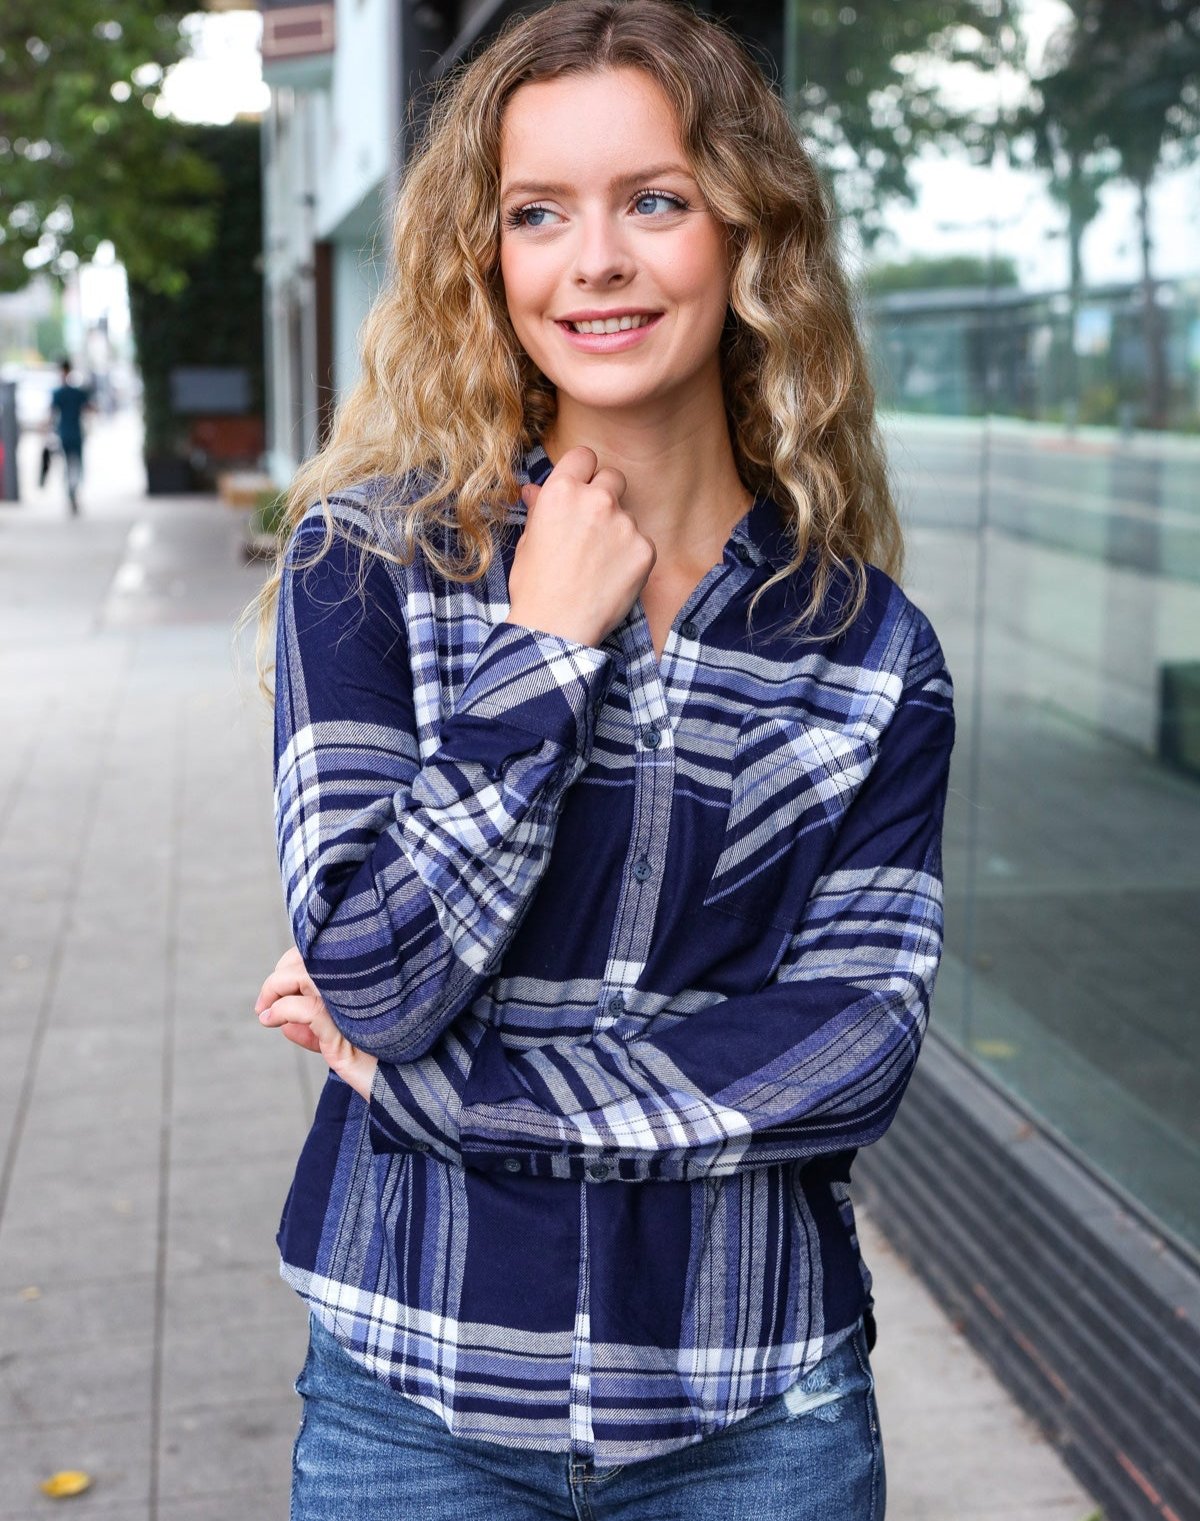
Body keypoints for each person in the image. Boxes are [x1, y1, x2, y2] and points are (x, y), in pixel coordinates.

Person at [252, 2, 955, 1516]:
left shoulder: (866, 647)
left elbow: (847, 1051)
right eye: (537, 214)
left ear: (746, 234)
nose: (599, 263)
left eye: (654, 200)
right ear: (485, 258)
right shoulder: (367, 569)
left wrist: (448, 1096)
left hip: (758, 1405)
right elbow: (375, 981)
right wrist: (545, 653)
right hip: (413, 1403)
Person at [49, 359, 91, 515]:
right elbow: (89, 408)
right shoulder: (78, 392)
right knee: (77, 466)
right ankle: (73, 493)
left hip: (65, 433)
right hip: (75, 433)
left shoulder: (58, 393)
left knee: (68, 466)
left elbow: (52, 415)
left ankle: (71, 493)